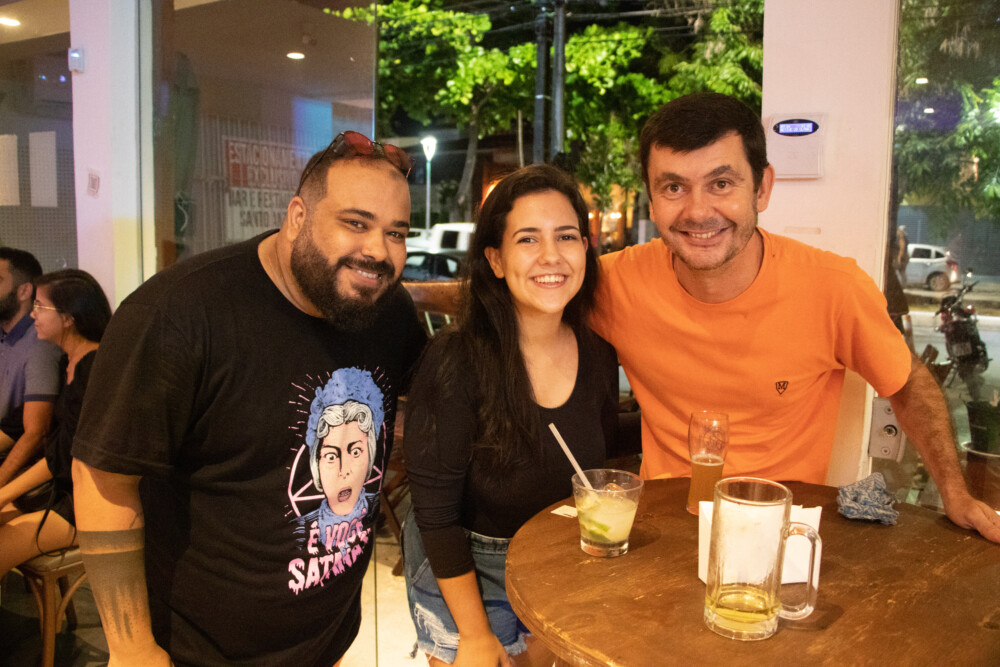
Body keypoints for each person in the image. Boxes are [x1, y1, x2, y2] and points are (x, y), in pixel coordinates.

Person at [71, 130, 428, 665]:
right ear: (298, 217)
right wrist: (131, 649)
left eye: (395, 232)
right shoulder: (179, 314)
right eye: (356, 223)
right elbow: (102, 478)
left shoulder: (386, 310)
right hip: (202, 650)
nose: (378, 250)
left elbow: (435, 397)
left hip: (330, 639)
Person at [593, 92, 1000, 543]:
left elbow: (908, 384)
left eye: (721, 183)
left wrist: (955, 493)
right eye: (674, 188)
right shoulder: (613, 283)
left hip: (784, 535)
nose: (698, 211)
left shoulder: (833, 287)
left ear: (762, 188)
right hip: (660, 529)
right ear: (651, 199)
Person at [403, 164, 625, 666]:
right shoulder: (457, 360)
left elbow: (602, 447)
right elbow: (435, 516)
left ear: (585, 248)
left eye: (566, 236)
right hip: (465, 570)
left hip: (559, 560)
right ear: (496, 260)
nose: (551, 255)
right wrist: (475, 634)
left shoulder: (598, 353)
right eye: (528, 239)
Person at [0, 270, 111, 576]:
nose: (32, 314)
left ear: (68, 317)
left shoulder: (94, 368)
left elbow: (64, 454)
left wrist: (4, 493)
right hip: (59, 487)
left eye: (39, 306)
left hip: (86, 499)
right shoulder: (67, 360)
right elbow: (19, 423)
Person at [0, 248, 62, 489]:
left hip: (22, 469)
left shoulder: (40, 342)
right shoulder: (4, 334)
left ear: (24, 291)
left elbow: (36, 433)